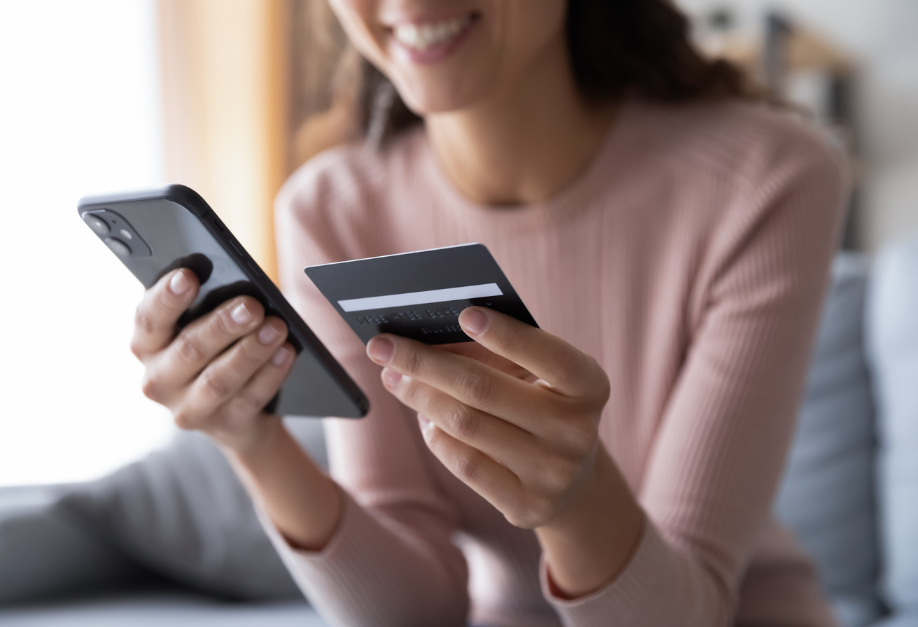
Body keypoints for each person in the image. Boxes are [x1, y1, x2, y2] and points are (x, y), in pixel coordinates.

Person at [130, 1, 847, 625]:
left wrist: (577, 502)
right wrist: (255, 443)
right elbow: (415, 610)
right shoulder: (331, 210)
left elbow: (686, 612)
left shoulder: (767, 180)